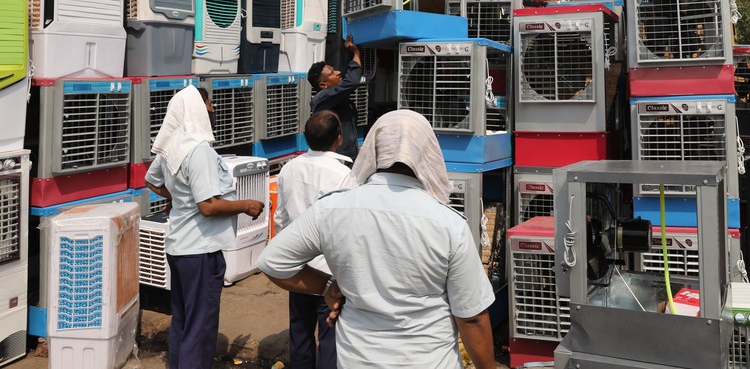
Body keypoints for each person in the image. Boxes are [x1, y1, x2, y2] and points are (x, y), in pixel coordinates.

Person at [257, 110, 496, 369]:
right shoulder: (449, 224)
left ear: (374, 149)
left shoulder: (332, 209)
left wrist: (327, 286)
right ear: (429, 154)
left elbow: (272, 262)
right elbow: (472, 319)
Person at [145, 85, 265, 369]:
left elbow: (151, 181)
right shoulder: (198, 152)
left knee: (184, 321)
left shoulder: (170, 148)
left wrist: (178, 198)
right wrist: (246, 205)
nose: (213, 111)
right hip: (200, 252)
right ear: (197, 110)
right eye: (209, 106)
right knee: (199, 329)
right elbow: (208, 206)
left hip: (181, 248)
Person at [274, 110, 351, 369]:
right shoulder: (343, 175)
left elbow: (280, 218)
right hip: (330, 270)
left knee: (300, 330)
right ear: (338, 139)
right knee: (330, 333)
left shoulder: (289, 169)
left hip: (298, 267)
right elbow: (348, 229)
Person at [308, 34, 362, 161]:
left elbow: (344, 73)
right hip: (337, 159)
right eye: (332, 73)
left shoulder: (334, 94)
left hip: (349, 155)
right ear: (323, 85)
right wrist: (356, 52)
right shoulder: (322, 99)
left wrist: (349, 52)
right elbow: (352, 81)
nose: (337, 73)